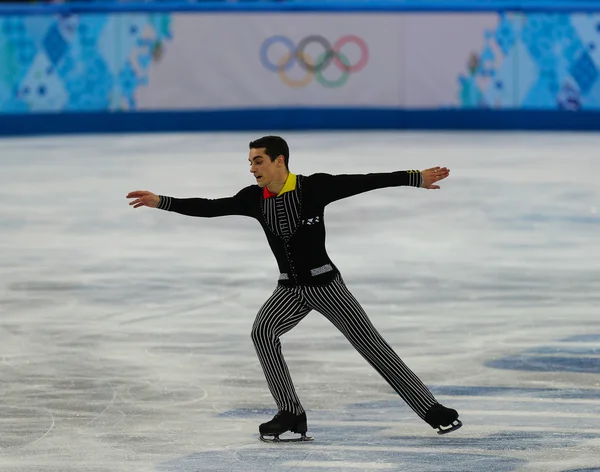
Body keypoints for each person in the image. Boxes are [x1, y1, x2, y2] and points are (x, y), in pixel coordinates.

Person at [126, 135, 462, 442]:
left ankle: (431, 410)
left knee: (370, 345)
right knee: (263, 332)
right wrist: (162, 201)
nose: (252, 167)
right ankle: (291, 413)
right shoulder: (254, 199)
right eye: (250, 161)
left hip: (326, 286)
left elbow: (364, 181)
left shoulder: (313, 188)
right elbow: (213, 207)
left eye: (258, 160)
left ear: (279, 161)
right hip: (289, 289)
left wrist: (415, 177)